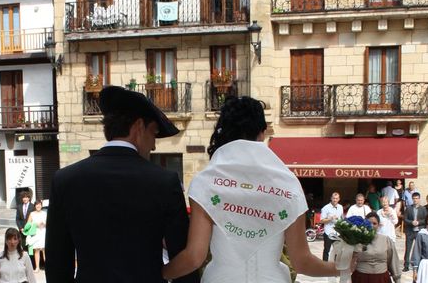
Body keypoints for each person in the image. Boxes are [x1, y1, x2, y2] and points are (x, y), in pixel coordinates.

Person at [162, 96, 342, 282]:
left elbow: (194, 257)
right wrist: (340, 268)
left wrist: (160, 273)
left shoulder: (206, 181)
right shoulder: (288, 184)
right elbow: (302, 262)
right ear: (262, 133)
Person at [46, 85, 198, 283]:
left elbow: (57, 264)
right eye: (153, 133)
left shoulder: (65, 179)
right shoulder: (164, 182)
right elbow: (183, 261)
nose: (153, 145)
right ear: (138, 127)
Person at [351, 212, 401, 283]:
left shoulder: (386, 240)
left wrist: (397, 279)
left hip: (382, 278)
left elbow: (393, 260)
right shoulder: (357, 240)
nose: (371, 225)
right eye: (369, 223)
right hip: (361, 278)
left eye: (374, 223)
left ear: (378, 225)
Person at [402, 191, 427, 272]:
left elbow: (425, 220)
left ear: (419, 199)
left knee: (420, 249)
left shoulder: (423, 209)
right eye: (414, 198)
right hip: (410, 231)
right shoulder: (408, 208)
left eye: (417, 198)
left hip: (419, 231)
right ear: (412, 199)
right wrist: (411, 222)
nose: (415, 200)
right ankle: (406, 265)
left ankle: (419, 264)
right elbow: (405, 219)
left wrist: (419, 222)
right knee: (408, 249)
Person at [320, 192, 343, 261]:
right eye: (333, 198)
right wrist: (330, 219)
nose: (335, 200)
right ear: (331, 198)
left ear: (339, 199)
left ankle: (335, 265)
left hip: (337, 232)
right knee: (327, 250)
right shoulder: (326, 208)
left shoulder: (340, 207)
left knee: (338, 250)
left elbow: (341, 218)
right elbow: (321, 221)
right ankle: (324, 265)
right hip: (328, 232)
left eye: (336, 198)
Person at [24, 200, 46, 272]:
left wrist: (44, 224)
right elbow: (28, 224)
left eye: (39, 204)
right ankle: (37, 267)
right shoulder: (32, 214)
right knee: (36, 250)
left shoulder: (45, 213)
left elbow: (49, 223)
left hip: (43, 232)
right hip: (35, 232)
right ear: (35, 206)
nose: (38, 206)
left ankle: (47, 267)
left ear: (41, 205)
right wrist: (35, 224)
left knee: (44, 250)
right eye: (37, 204)